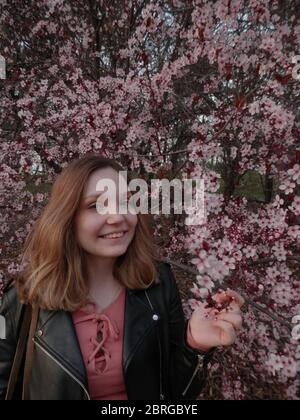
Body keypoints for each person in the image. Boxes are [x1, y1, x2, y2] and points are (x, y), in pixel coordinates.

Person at [0, 153, 244, 400]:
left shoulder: (158, 285)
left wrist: (195, 345)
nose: (117, 217)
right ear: (66, 218)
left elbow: (172, 395)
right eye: (96, 205)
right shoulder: (20, 299)